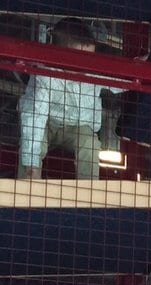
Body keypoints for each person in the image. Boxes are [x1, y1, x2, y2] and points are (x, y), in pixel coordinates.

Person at [18, 18, 123, 179]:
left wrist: (142, 67)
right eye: (78, 60)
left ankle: (88, 198)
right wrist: (31, 164)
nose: (84, 65)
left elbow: (121, 82)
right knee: (33, 147)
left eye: (89, 58)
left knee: (91, 144)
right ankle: (26, 193)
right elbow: (34, 119)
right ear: (60, 57)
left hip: (79, 126)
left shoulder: (93, 68)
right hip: (46, 122)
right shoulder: (45, 75)